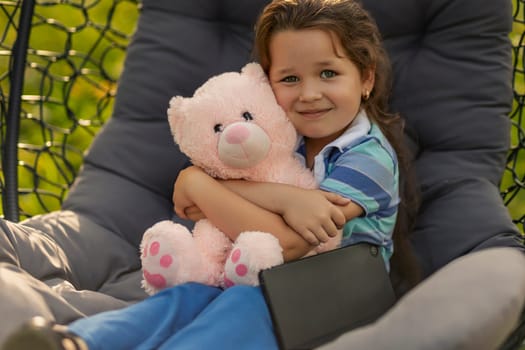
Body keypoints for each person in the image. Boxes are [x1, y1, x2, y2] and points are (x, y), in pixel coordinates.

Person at [1, 1, 422, 349]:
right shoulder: (275, 133)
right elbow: (188, 202)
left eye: (328, 73)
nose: (309, 93)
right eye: (290, 78)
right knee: (187, 298)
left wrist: (205, 186)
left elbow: (290, 246)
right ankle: (78, 342)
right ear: (265, 82)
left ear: (365, 77)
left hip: (332, 297)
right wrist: (274, 197)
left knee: (242, 308)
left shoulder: (369, 157)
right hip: (257, 278)